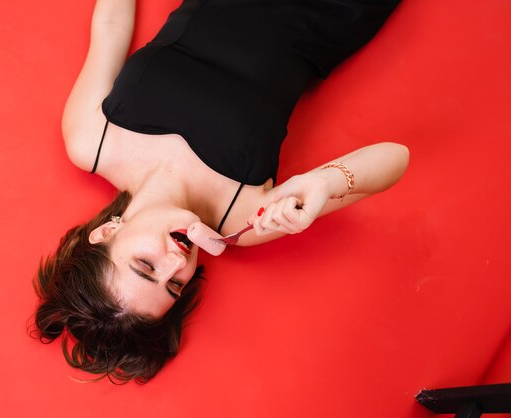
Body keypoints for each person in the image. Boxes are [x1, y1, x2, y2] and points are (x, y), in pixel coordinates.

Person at [31, 0, 409, 383]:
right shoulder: (244, 217)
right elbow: (397, 158)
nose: (177, 264)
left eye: (146, 266)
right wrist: (325, 182)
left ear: (107, 233)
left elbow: (111, 22)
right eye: (175, 285)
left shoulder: (91, 141)